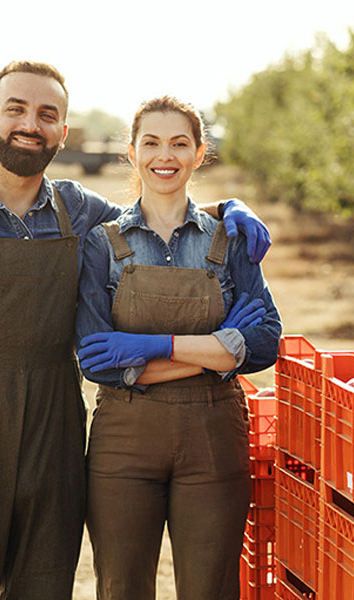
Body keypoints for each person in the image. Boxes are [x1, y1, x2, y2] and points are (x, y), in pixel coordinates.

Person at [0, 61, 271, 600]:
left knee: (44, 583)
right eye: (16, 109)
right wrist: (214, 349)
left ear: (62, 133)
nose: (31, 123)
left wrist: (232, 207)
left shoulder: (78, 210)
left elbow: (159, 216)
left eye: (47, 114)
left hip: (55, 434)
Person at [74, 95, 281, 600]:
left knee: (210, 588)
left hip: (214, 440)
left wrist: (150, 347)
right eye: (151, 142)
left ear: (198, 152)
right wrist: (218, 351)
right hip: (124, 442)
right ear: (131, 152)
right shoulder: (102, 244)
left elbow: (264, 343)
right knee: (121, 588)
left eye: (179, 143)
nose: (164, 155)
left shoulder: (230, 239)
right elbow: (99, 363)